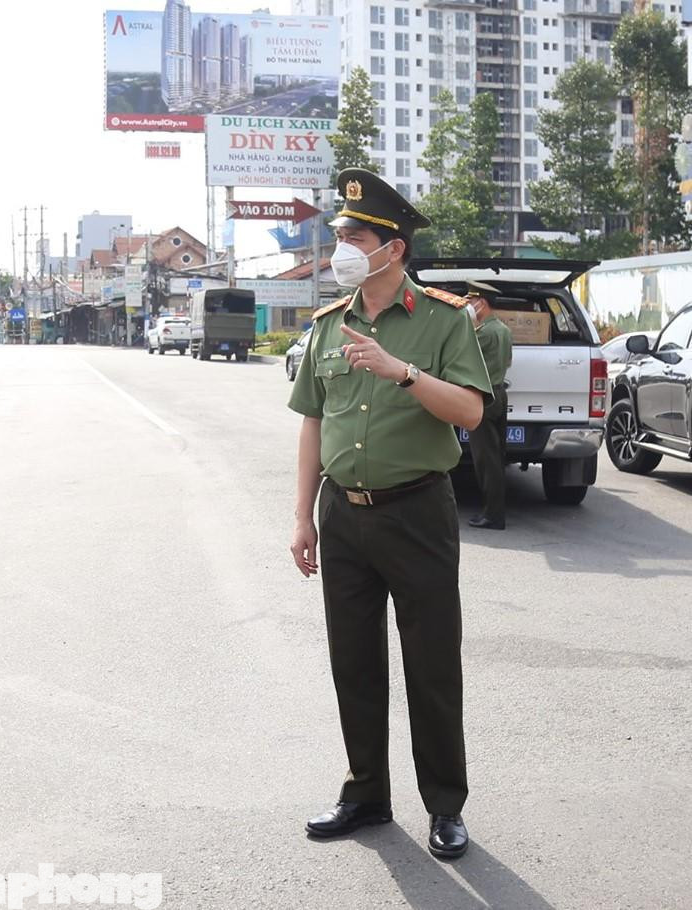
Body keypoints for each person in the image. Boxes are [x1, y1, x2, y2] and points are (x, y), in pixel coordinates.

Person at [287, 169, 493, 860]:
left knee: (430, 664)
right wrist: (301, 517)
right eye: (339, 235)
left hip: (416, 511)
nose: (340, 248)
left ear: (393, 248)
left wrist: (401, 371)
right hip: (343, 514)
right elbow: (313, 422)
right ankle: (366, 794)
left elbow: (470, 411)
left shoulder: (442, 319)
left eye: (354, 237)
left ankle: (445, 806)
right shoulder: (328, 325)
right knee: (353, 661)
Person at [465, 281, 514, 530]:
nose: (467, 306)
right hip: (499, 394)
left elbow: (463, 358)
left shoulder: (483, 333)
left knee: (486, 459)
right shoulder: (503, 330)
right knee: (496, 456)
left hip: (484, 398)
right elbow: (508, 361)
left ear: (481, 303)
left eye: (470, 301)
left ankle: (493, 515)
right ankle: (495, 511)